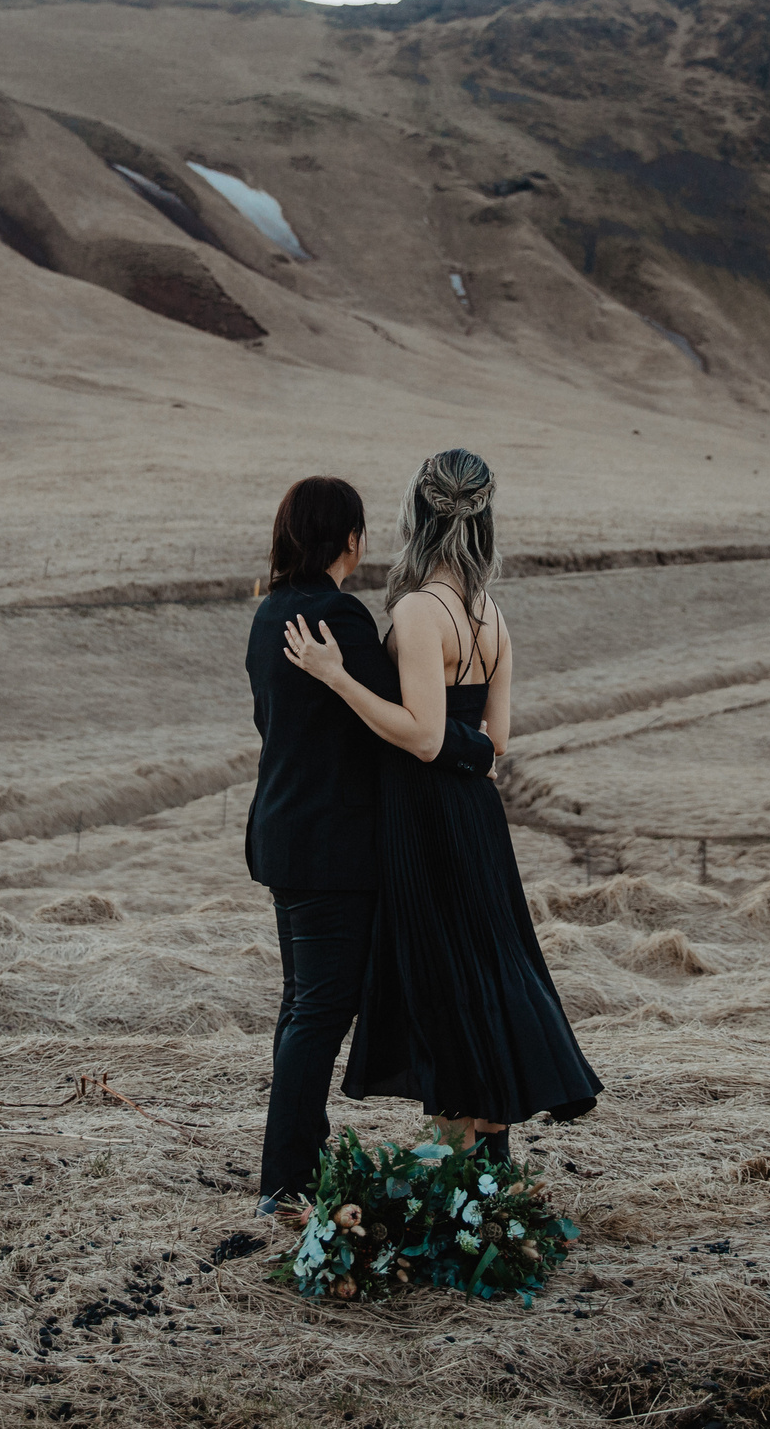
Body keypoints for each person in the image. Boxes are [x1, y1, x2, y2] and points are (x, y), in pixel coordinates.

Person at [282, 448, 601, 1160]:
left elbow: (424, 736)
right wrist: (473, 753)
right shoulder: (491, 614)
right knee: (481, 972)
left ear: (417, 517)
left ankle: (463, 1174)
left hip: (425, 818)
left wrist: (337, 678)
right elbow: (496, 740)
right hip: (476, 817)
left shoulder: (421, 610)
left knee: (447, 985)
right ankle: (491, 1175)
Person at [243, 476, 494, 1209]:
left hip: (282, 833)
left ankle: (294, 1165)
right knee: (319, 1010)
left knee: (302, 1005)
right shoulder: (338, 618)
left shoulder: (269, 614)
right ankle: (285, 1181)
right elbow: (407, 721)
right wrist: (475, 750)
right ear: (348, 539)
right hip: (333, 848)